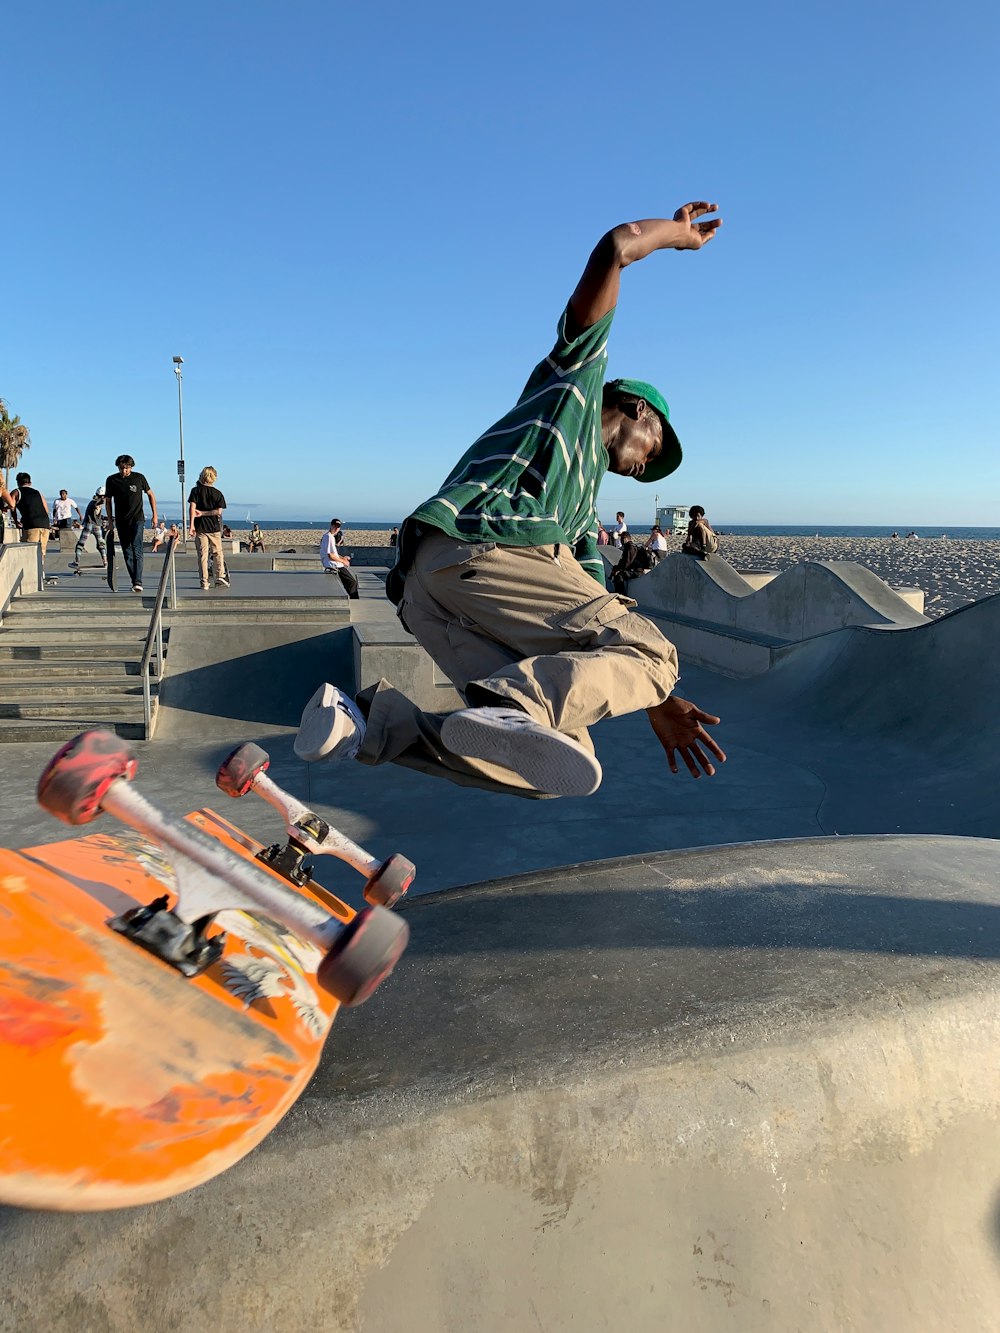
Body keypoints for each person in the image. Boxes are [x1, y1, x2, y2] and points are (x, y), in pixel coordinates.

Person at [295, 201, 726, 797]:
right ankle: (516, 700)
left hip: (426, 594)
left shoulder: (578, 509)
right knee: (658, 650)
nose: (647, 464)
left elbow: (591, 613)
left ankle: (366, 726)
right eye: (656, 447)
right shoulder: (574, 387)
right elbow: (615, 247)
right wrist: (676, 235)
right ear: (635, 408)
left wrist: (652, 698)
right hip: (489, 550)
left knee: (557, 760)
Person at [104, 455, 158, 593]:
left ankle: (138, 581)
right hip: (121, 521)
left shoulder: (139, 478)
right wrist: (110, 521)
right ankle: (134, 581)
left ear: (131, 467)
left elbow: (151, 494)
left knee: (136, 547)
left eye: (127, 468)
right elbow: (108, 501)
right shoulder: (111, 480)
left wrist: (155, 516)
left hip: (137, 519)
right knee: (127, 552)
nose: (124, 471)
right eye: (121, 468)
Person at [188, 466, 230, 590]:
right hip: (214, 528)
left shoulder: (195, 491)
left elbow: (192, 509)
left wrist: (191, 526)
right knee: (217, 552)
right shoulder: (218, 493)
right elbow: (218, 511)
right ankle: (220, 575)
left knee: (203, 555)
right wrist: (205, 513)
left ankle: (204, 581)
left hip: (200, 528)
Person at [2, 474, 51, 575]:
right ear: (30, 483)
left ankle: (31, 574)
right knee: (42, 551)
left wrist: (15, 521)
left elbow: (12, 507)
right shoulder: (38, 493)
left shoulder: (16, 492)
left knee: (29, 550)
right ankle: (41, 572)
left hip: (31, 524)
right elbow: (46, 509)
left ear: (18, 483)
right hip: (45, 524)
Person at [320, 518, 359, 599]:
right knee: (352, 583)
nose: (336, 529)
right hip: (334, 565)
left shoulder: (328, 536)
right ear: (331, 526)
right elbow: (331, 556)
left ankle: (351, 598)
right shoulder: (329, 537)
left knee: (350, 582)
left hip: (334, 563)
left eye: (338, 527)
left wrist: (343, 558)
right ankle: (355, 600)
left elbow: (334, 554)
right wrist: (344, 562)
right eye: (335, 526)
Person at [70, 487, 108, 568]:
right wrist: (102, 499)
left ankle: (76, 561)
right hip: (97, 526)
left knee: (80, 544)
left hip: (89, 525)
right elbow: (97, 504)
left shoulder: (93, 502)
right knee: (100, 544)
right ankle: (105, 561)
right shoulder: (96, 502)